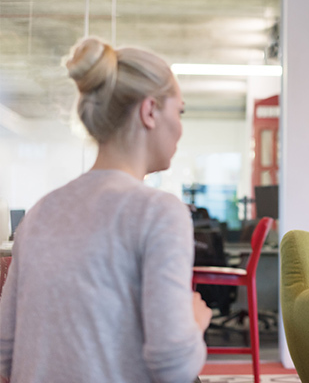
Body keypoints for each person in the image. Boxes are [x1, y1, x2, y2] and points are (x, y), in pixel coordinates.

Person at [0, 37, 212, 383]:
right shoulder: (158, 212)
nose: (181, 127)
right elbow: (174, 368)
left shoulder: (39, 213)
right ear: (150, 111)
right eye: (180, 111)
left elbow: (6, 355)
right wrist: (194, 321)